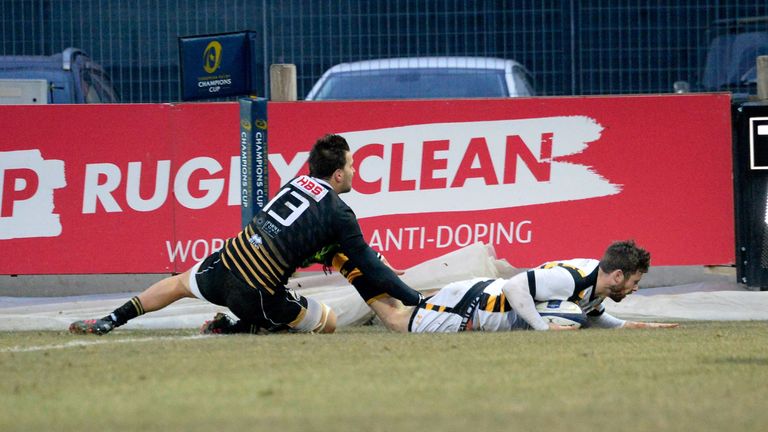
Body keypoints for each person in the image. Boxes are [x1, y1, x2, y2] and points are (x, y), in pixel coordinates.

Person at [69, 134, 423, 336]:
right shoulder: (338, 211)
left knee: (178, 283)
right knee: (327, 322)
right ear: (337, 176)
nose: (354, 169)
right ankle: (243, 326)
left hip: (223, 267)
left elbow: (301, 239)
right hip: (254, 295)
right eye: (350, 165)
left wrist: (345, 257)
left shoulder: (294, 183)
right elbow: (367, 266)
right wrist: (412, 296)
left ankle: (111, 319)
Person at [339, 239, 679, 333]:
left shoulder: (595, 286)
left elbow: (593, 315)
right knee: (398, 322)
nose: (635, 289)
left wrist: (634, 325)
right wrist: (542, 329)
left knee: (410, 305)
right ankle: (346, 263)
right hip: (475, 306)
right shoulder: (570, 278)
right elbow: (516, 286)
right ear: (617, 276)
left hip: (477, 303)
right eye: (635, 282)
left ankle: (373, 264)